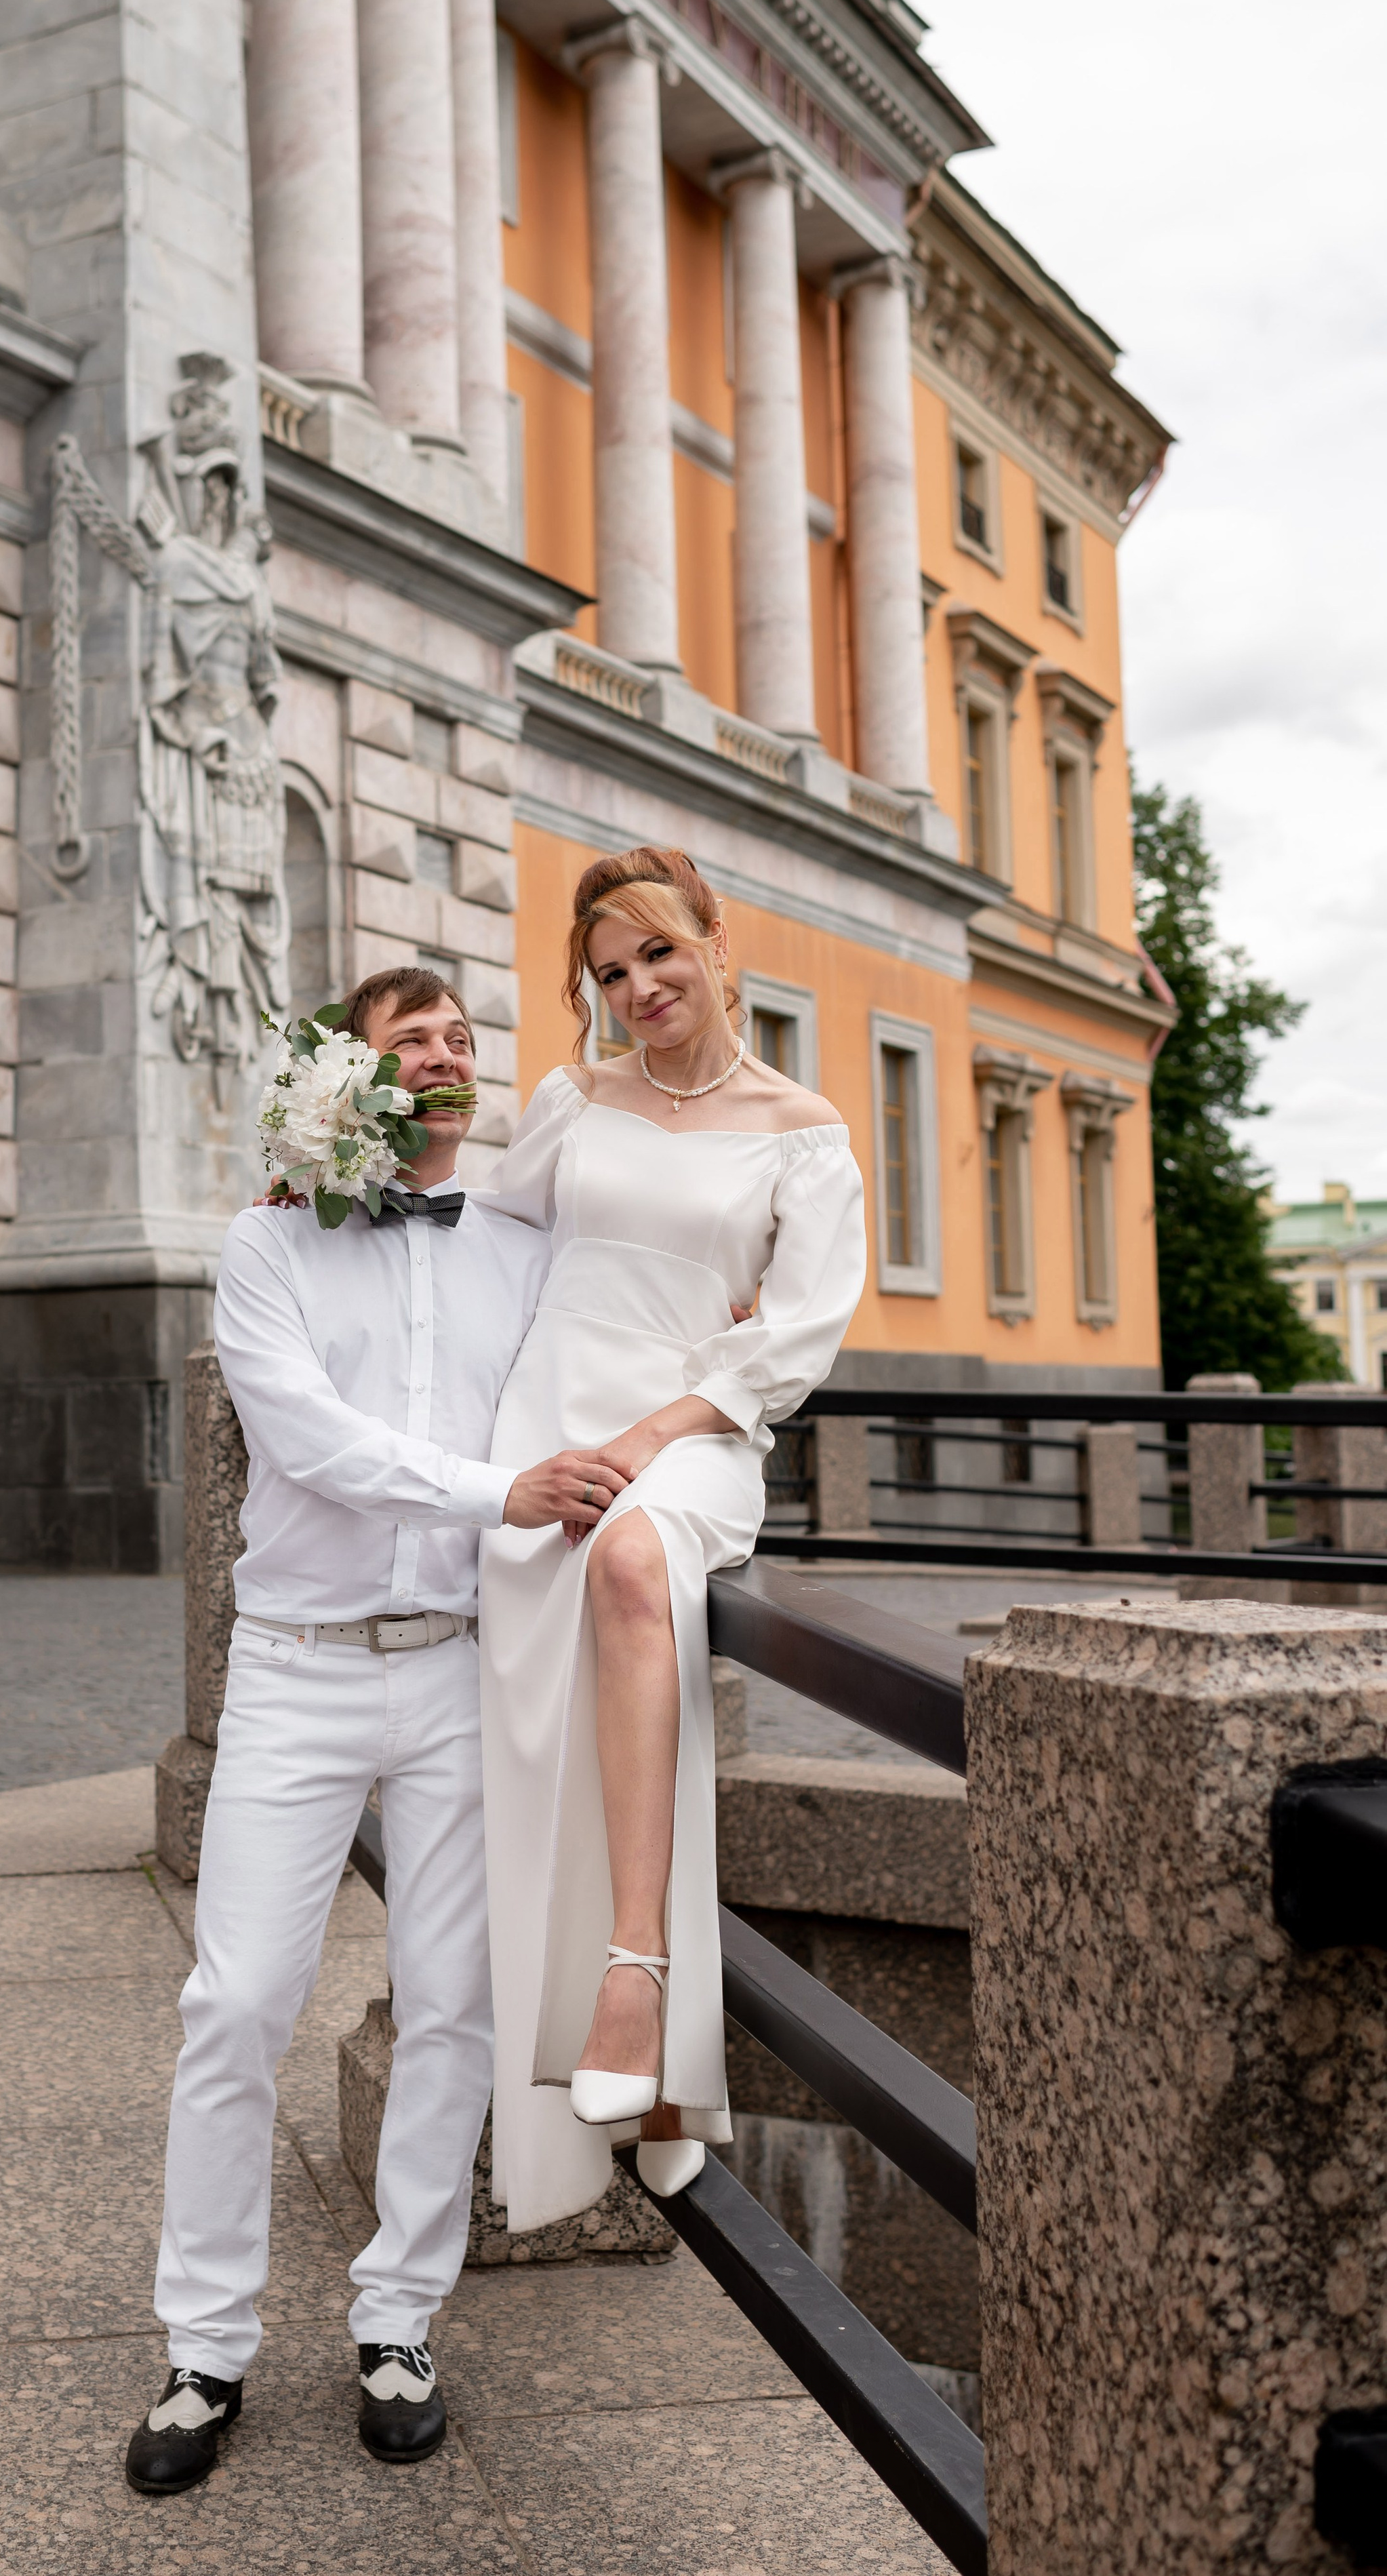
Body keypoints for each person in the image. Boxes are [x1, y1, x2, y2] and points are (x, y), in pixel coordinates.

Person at [125, 967, 632, 2496]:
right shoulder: (268, 1238)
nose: (447, 1056)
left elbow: (626, 1323)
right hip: (294, 1669)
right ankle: (203, 2344)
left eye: (461, 1038)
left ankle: (398, 2317)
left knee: (452, 2006)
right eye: (412, 1038)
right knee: (236, 2003)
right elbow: (304, 1439)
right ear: (348, 1077)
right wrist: (502, 1493)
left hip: (463, 1669)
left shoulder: (524, 1244)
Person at [476, 848, 867, 2234]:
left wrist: (656, 1433)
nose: (636, 988)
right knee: (547, 1731)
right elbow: (480, 1256)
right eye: (606, 972)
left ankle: (634, 1977)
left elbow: (803, 1328)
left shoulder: (801, 1127)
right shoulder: (567, 1101)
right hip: (546, 1425)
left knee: (635, 1560)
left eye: (656, 954)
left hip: (693, 1425)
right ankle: (639, 2093)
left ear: (714, 943)